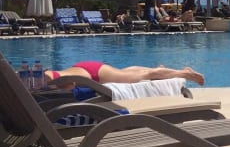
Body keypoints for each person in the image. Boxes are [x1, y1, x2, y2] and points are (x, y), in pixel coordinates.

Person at [44, 61, 205, 87]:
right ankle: (159, 69)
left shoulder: (46, 81)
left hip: (95, 75)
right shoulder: (40, 75)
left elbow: (70, 84)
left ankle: (185, 74)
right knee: (126, 72)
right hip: (87, 68)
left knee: (146, 75)